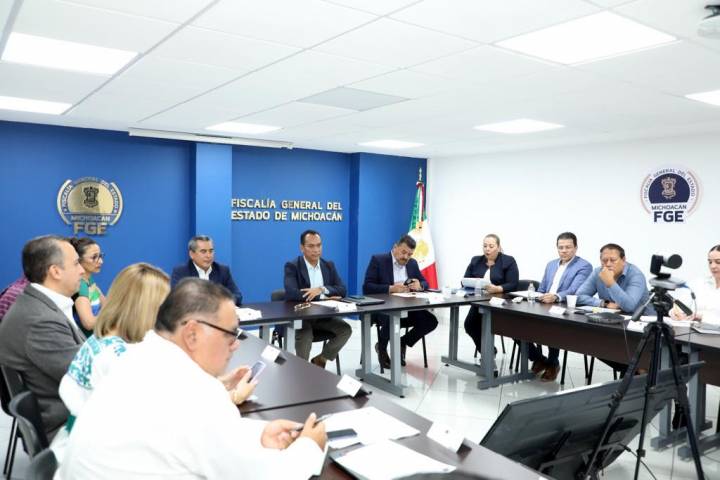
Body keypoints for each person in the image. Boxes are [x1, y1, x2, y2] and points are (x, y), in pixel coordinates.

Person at [58, 279, 326, 479]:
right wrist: (309, 447)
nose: (235, 345)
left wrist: (259, 434)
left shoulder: (137, 358)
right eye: (230, 334)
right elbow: (262, 476)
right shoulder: (196, 392)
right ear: (192, 334)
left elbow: (202, 439)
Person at [58, 263, 172, 433]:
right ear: (145, 310)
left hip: (81, 434)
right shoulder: (120, 359)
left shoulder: (100, 338)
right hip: (100, 440)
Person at [0, 235, 85, 439]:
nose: (82, 270)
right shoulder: (40, 320)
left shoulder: (39, 305)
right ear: (55, 271)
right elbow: (85, 376)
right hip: (66, 425)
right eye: (76, 263)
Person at [363, 234, 438, 369]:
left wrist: (420, 285)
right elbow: (367, 287)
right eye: (403, 252)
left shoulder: (412, 263)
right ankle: (382, 347)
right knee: (392, 316)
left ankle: (402, 342)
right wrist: (390, 288)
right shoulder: (378, 260)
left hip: (408, 307)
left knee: (431, 321)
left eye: (409, 254)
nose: (406, 257)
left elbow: (424, 282)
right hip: (383, 309)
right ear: (395, 247)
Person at [576, 243, 651, 373]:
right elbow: (579, 296)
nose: (608, 264)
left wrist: (610, 282)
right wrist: (603, 303)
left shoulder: (636, 275)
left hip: (640, 326)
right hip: (613, 323)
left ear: (623, 260)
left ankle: (638, 372)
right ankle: (635, 371)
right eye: (604, 260)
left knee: (618, 351)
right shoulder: (598, 272)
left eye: (613, 260)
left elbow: (629, 306)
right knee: (593, 345)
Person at [284, 230, 352, 367]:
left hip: (323, 317)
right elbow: (292, 293)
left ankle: (321, 359)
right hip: (301, 318)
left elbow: (342, 289)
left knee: (345, 330)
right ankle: (302, 372)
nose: (316, 250)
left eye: (319, 245)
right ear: (302, 248)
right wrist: (323, 297)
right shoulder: (292, 266)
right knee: (305, 335)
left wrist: (321, 289)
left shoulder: (328, 265)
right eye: (311, 246)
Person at [530, 232, 592, 381]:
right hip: (544, 304)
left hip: (564, 307)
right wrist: (537, 296)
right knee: (518, 324)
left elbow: (575, 290)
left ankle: (553, 363)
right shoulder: (551, 264)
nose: (564, 251)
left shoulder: (584, 266)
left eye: (568, 247)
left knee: (551, 326)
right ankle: (539, 358)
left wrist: (556, 296)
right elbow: (542, 288)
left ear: (575, 248)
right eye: (560, 247)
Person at [463, 234, 519, 354]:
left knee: (514, 330)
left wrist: (498, 288)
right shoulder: (476, 260)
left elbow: (513, 284)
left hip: (501, 303)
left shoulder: (508, 261)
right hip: (480, 302)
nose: (487, 249)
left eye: (491, 246)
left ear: (498, 247)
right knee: (470, 325)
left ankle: (538, 358)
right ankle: (488, 352)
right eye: (485, 246)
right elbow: (465, 280)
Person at [171, 235, 242, 305]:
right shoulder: (181, 272)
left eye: (211, 251)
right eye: (203, 251)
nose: (208, 256)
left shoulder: (222, 271)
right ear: (192, 254)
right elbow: (177, 298)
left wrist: (220, 302)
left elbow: (237, 295)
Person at [672, 244, 720, 324]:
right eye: (710, 262)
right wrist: (675, 313)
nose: (713, 266)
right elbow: (678, 308)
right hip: (690, 330)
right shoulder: (698, 283)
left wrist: (701, 317)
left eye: (718, 262)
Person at [68, 237, 106, 337]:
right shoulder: (80, 287)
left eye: (100, 256)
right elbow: (89, 324)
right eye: (94, 257)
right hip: (85, 343)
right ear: (78, 260)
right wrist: (111, 315)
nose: (101, 261)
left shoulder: (89, 280)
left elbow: (107, 305)